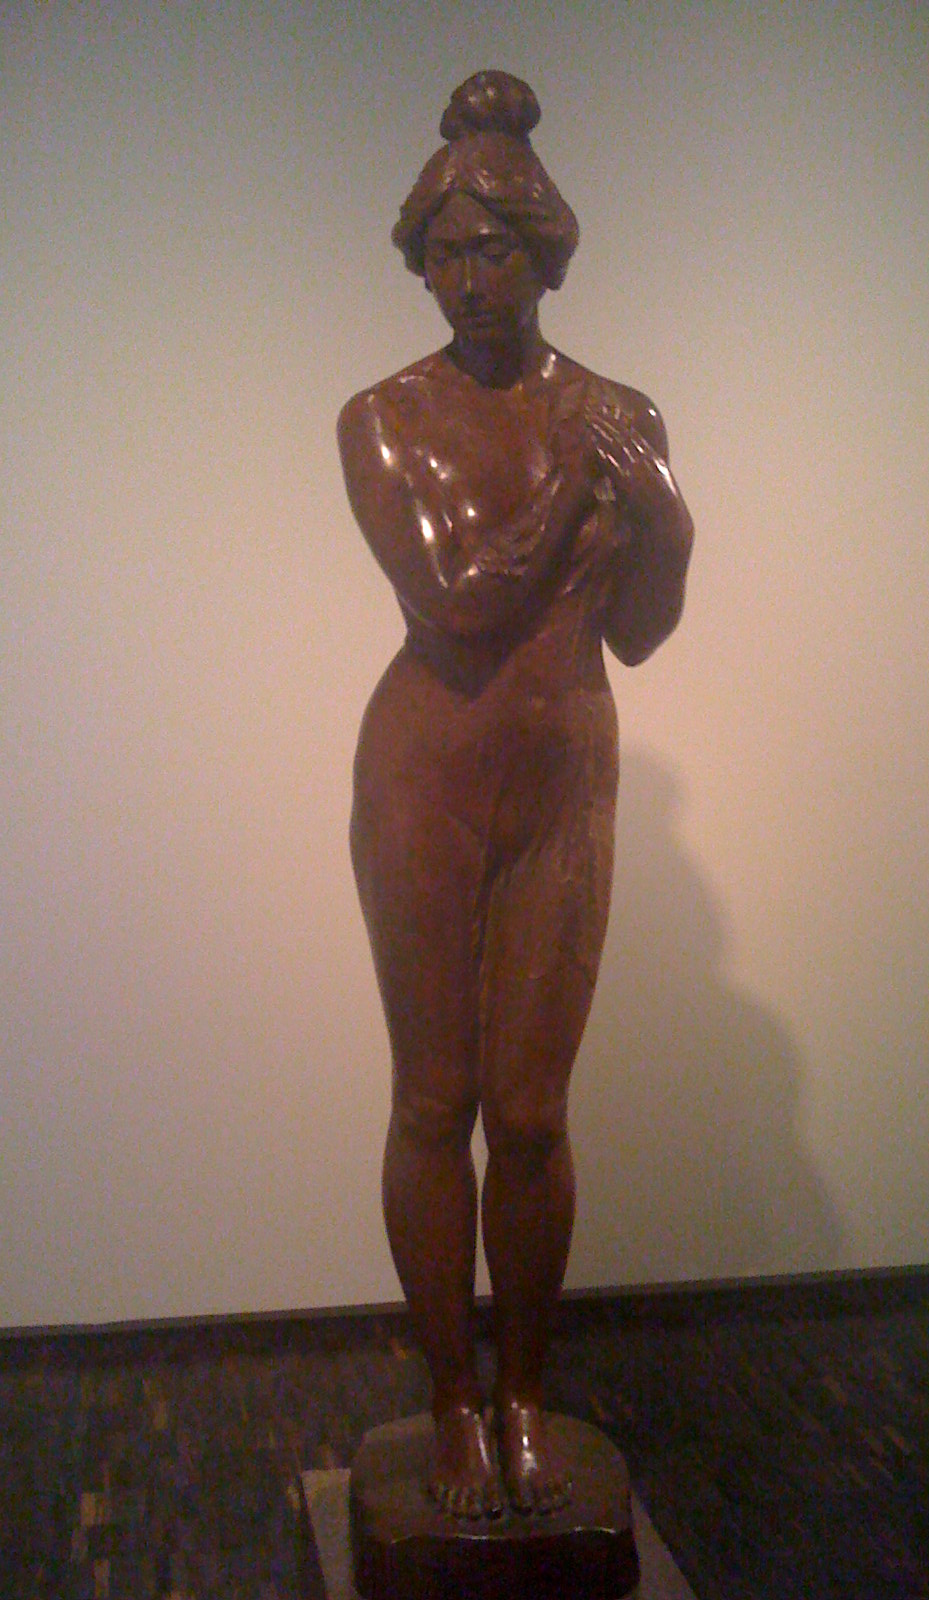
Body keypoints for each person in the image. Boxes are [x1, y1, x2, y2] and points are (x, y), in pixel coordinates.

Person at [337, 69, 693, 1519]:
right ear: (419, 260)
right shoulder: (382, 417)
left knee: (533, 1115)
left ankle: (527, 1393)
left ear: (544, 249)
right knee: (436, 1098)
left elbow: (641, 632)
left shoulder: (622, 411)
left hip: (563, 781)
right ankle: (450, 1404)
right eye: (444, 251)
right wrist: (572, 495)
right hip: (423, 778)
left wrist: (666, 517)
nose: (469, 277)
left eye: (493, 246)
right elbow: (456, 603)